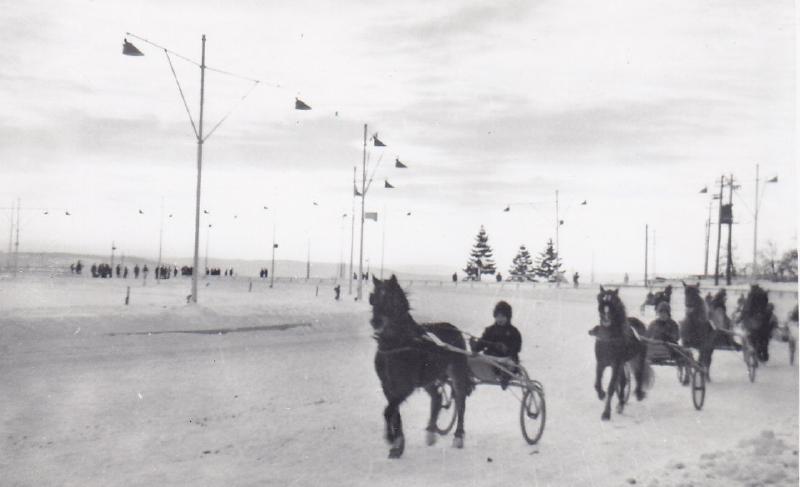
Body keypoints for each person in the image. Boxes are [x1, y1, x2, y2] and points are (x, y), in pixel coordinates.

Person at [470, 301, 522, 389]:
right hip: (491, 358)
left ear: (508, 317)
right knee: (474, 359)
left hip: (506, 358)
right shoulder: (490, 330)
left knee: (510, 364)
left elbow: (517, 347)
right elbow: (482, 343)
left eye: (503, 317)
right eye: (498, 316)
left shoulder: (513, 331)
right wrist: (475, 346)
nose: (500, 319)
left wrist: (507, 349)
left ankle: (505, 376)